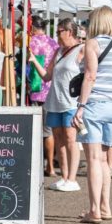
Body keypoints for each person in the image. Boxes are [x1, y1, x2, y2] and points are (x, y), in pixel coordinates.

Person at [72, 6, 112, 224]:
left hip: (95, 104)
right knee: (104, 158)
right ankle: (105, 206)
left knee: (93, 158)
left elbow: (90, 76)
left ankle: (94, 209)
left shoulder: (92, 44)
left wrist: (81, 105)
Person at [29, 18, 83, 192]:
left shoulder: (81, 50)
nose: (57, 35)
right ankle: (64, 177)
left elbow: (89, 73)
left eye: (60, 31)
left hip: (71, 102)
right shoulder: (59, 51)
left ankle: (73, 179)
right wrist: (34, 60)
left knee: (70, 139)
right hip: (55, 101)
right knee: (59, 139)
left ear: (70, 32)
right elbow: (47, 76)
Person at [27, 15, 60, 176]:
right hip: (51, 89)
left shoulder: (30, 42)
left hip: (36, 89)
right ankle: (51, 167)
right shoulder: (53, 43)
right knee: (49, 131)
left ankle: (38, 165)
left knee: (37, 130)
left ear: (32, 27)